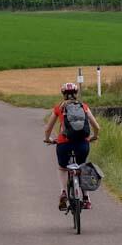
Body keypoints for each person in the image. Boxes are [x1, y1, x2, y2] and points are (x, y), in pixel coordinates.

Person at [43, 81, 101, 211]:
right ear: (76, 93)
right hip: (82, 144)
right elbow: (97, 127)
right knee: (82, 166)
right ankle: (86, 198)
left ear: (63, 94)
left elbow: (48, 129)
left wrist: (48, 139)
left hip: (64, 144)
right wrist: (94, 136)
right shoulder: (84, 107)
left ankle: (64, 192)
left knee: (62, 168)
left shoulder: (59, 108)